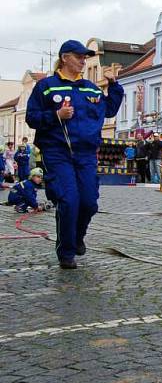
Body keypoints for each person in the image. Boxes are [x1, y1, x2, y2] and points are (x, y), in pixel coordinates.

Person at [25, 39, 123, 269]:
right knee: (69, 200)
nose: (83, 61)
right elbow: (32, 117)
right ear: (65, 57)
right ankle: (66, 251)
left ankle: (77, 237)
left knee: (89, 202)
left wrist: (114, 87)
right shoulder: (46, 86)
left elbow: (108, 109)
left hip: (86, 154)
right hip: (57, 152)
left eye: (85, 57)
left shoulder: (90, 88)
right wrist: (56, 115)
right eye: (79, 57)